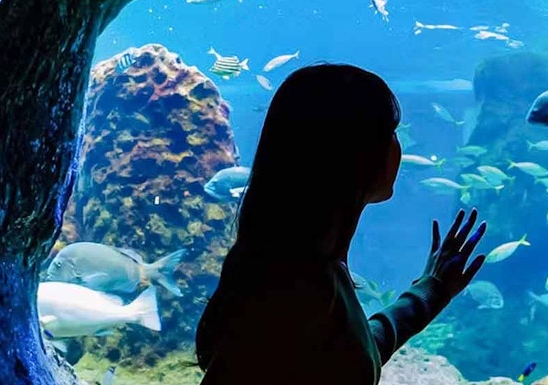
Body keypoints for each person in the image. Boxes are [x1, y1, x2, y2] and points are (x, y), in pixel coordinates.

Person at [195, 63, 487, 385]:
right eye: (390, 132)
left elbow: (350, 353)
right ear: (354, 152)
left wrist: (432, 291)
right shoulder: (300, 290)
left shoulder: (287, 271)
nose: (397, 146)